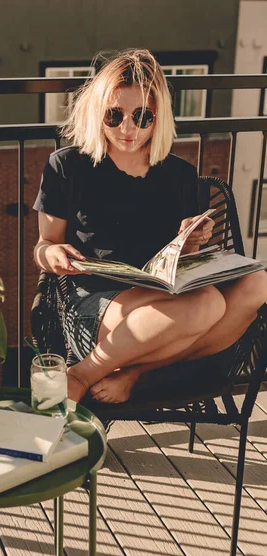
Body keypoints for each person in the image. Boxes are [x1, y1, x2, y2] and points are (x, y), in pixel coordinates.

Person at [33, 48, 267, 404]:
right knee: (206, 306)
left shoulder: (181, 175)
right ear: (99, 111)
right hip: (97, 301)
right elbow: (43, 246)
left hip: (166, 301)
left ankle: (129, 373)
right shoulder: (67, 167)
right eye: (115, 115)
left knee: (257, 282)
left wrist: (191, 242)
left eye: (143, 117)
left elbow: (182, 263)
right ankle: (87, 371)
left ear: (159, 119)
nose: (128, 128)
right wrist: (53, 253)